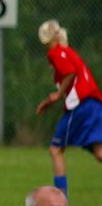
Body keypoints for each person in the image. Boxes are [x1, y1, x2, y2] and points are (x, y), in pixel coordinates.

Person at [34, 19, 102, 192]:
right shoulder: (67, 51)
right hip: (94, 103)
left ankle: (61, 203)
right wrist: (51, 101)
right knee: (99, 152)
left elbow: (70, 72)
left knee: (55, 149)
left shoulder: (55, 52)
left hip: (80, 106)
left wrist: (57, 95)